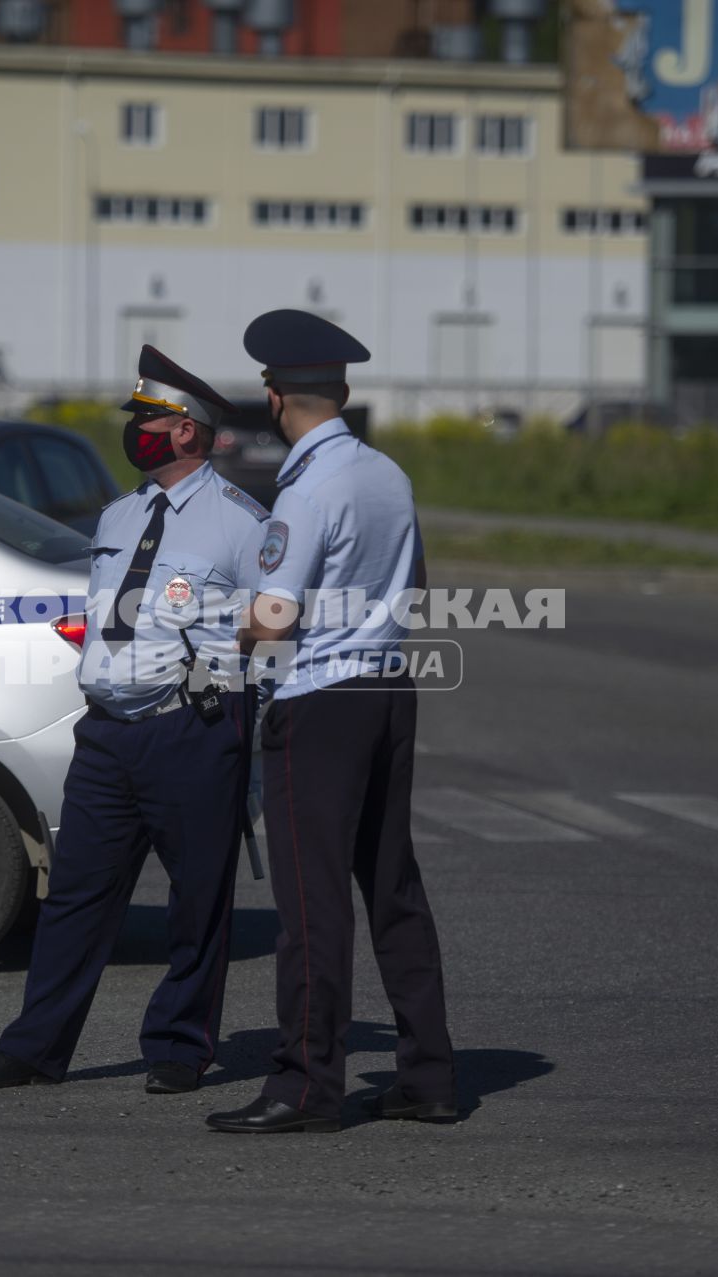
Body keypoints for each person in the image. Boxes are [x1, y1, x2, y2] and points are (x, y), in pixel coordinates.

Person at [0, 346, 271, 1096]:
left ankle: (178, 1046)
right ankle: (33, 1047)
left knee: (196, 902)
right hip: (105, 733)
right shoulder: (120, 514)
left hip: (190, 727)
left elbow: (277, 628)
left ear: (188, 431)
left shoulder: (243, 523)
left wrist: (254, 730)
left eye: (150, 419)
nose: (138, 430)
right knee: (74, 898)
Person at [206, 309, 455, 1135]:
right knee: (393, 889)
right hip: (387, 688)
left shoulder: (306, 488)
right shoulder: (389, 474)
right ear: (341, 392)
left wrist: (226, 623)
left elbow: (272, 619)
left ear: (275, 398)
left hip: (319, 703)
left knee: (311, 905)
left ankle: (306, 1085)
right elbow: (412, 580)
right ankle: (428, 1075)